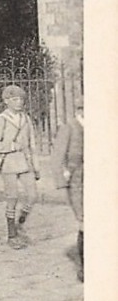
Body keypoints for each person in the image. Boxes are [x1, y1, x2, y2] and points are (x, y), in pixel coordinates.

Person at [0, 84, 39, 249]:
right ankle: (12, 235)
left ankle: (19, 224)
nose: (19, 102)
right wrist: (12, 146)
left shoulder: (26, 118)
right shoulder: (1, 119)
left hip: (26, 161)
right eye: (14, 99)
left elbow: (32, 143)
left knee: (32, 196)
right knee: (12, 198)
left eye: (21, 99)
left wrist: (36, 166)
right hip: (9, 162)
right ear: (6, 101)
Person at [51, 101, 84, 281]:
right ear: (79, 110)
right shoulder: (69, 128)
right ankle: (85, 268)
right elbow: (57, 157)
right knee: (84, 221)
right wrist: (61, 182)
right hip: (77, 180)